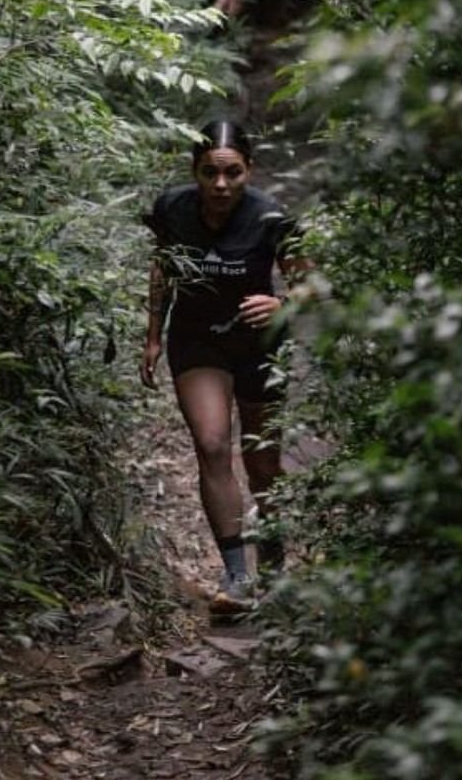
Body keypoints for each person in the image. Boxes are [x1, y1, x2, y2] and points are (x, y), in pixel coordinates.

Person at [140, 119, 308, 614]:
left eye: (232, 173)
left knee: (262, 459)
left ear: (248, 171)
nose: (221, 185)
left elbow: (310, 285)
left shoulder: (270, 217)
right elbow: (162, 268)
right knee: (212, 444)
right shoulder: (173, 208)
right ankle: (236, 576)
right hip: (196, 341)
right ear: (194, 172)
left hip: (259, 345)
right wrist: (152, 335)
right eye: (209, 173)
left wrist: (284, 307)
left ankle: (274, 564)